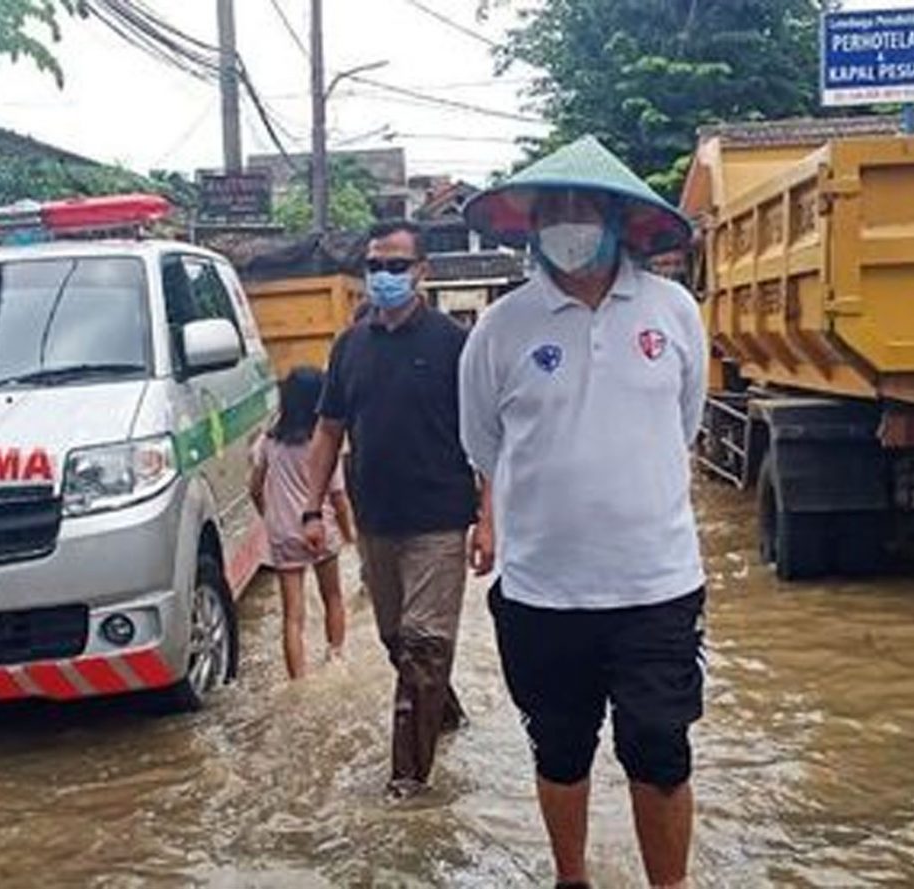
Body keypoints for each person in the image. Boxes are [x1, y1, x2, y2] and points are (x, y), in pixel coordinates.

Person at [459, 135, 708, 889]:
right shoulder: (501, 329)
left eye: (582, 206)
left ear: (617, 218)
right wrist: (491, 523)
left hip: (657, 587)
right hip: (543, 593)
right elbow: (485, 446)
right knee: (559, 750)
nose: (567, 221)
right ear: (530, 224)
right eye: (552, 208)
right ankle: (573, 878)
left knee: (661, 750)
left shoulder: (673, 312)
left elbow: (683, 426)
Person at [302, 219, 494, 798]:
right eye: (375, 266)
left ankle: (406, 786)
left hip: (438, 520)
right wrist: (312, 510)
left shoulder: (453, 345)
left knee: (424, 645)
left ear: (422, 273)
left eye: (395, 266)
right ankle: (446, 715)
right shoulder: (349, 346)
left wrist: (489, 516)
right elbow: (328, 430)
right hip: (376, 521)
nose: (383, 276)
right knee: (395, 641)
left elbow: (485, 435)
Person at [249, 366, 356, 680]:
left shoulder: (268, 443)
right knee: (333, 596)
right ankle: (335, 657)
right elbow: (338, 497)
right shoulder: (323, 445)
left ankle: (298, 679)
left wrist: (268, 516)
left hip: (283, 532)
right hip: (321, 530)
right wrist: (350, 535)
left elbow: (254, 487)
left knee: (292, 615)